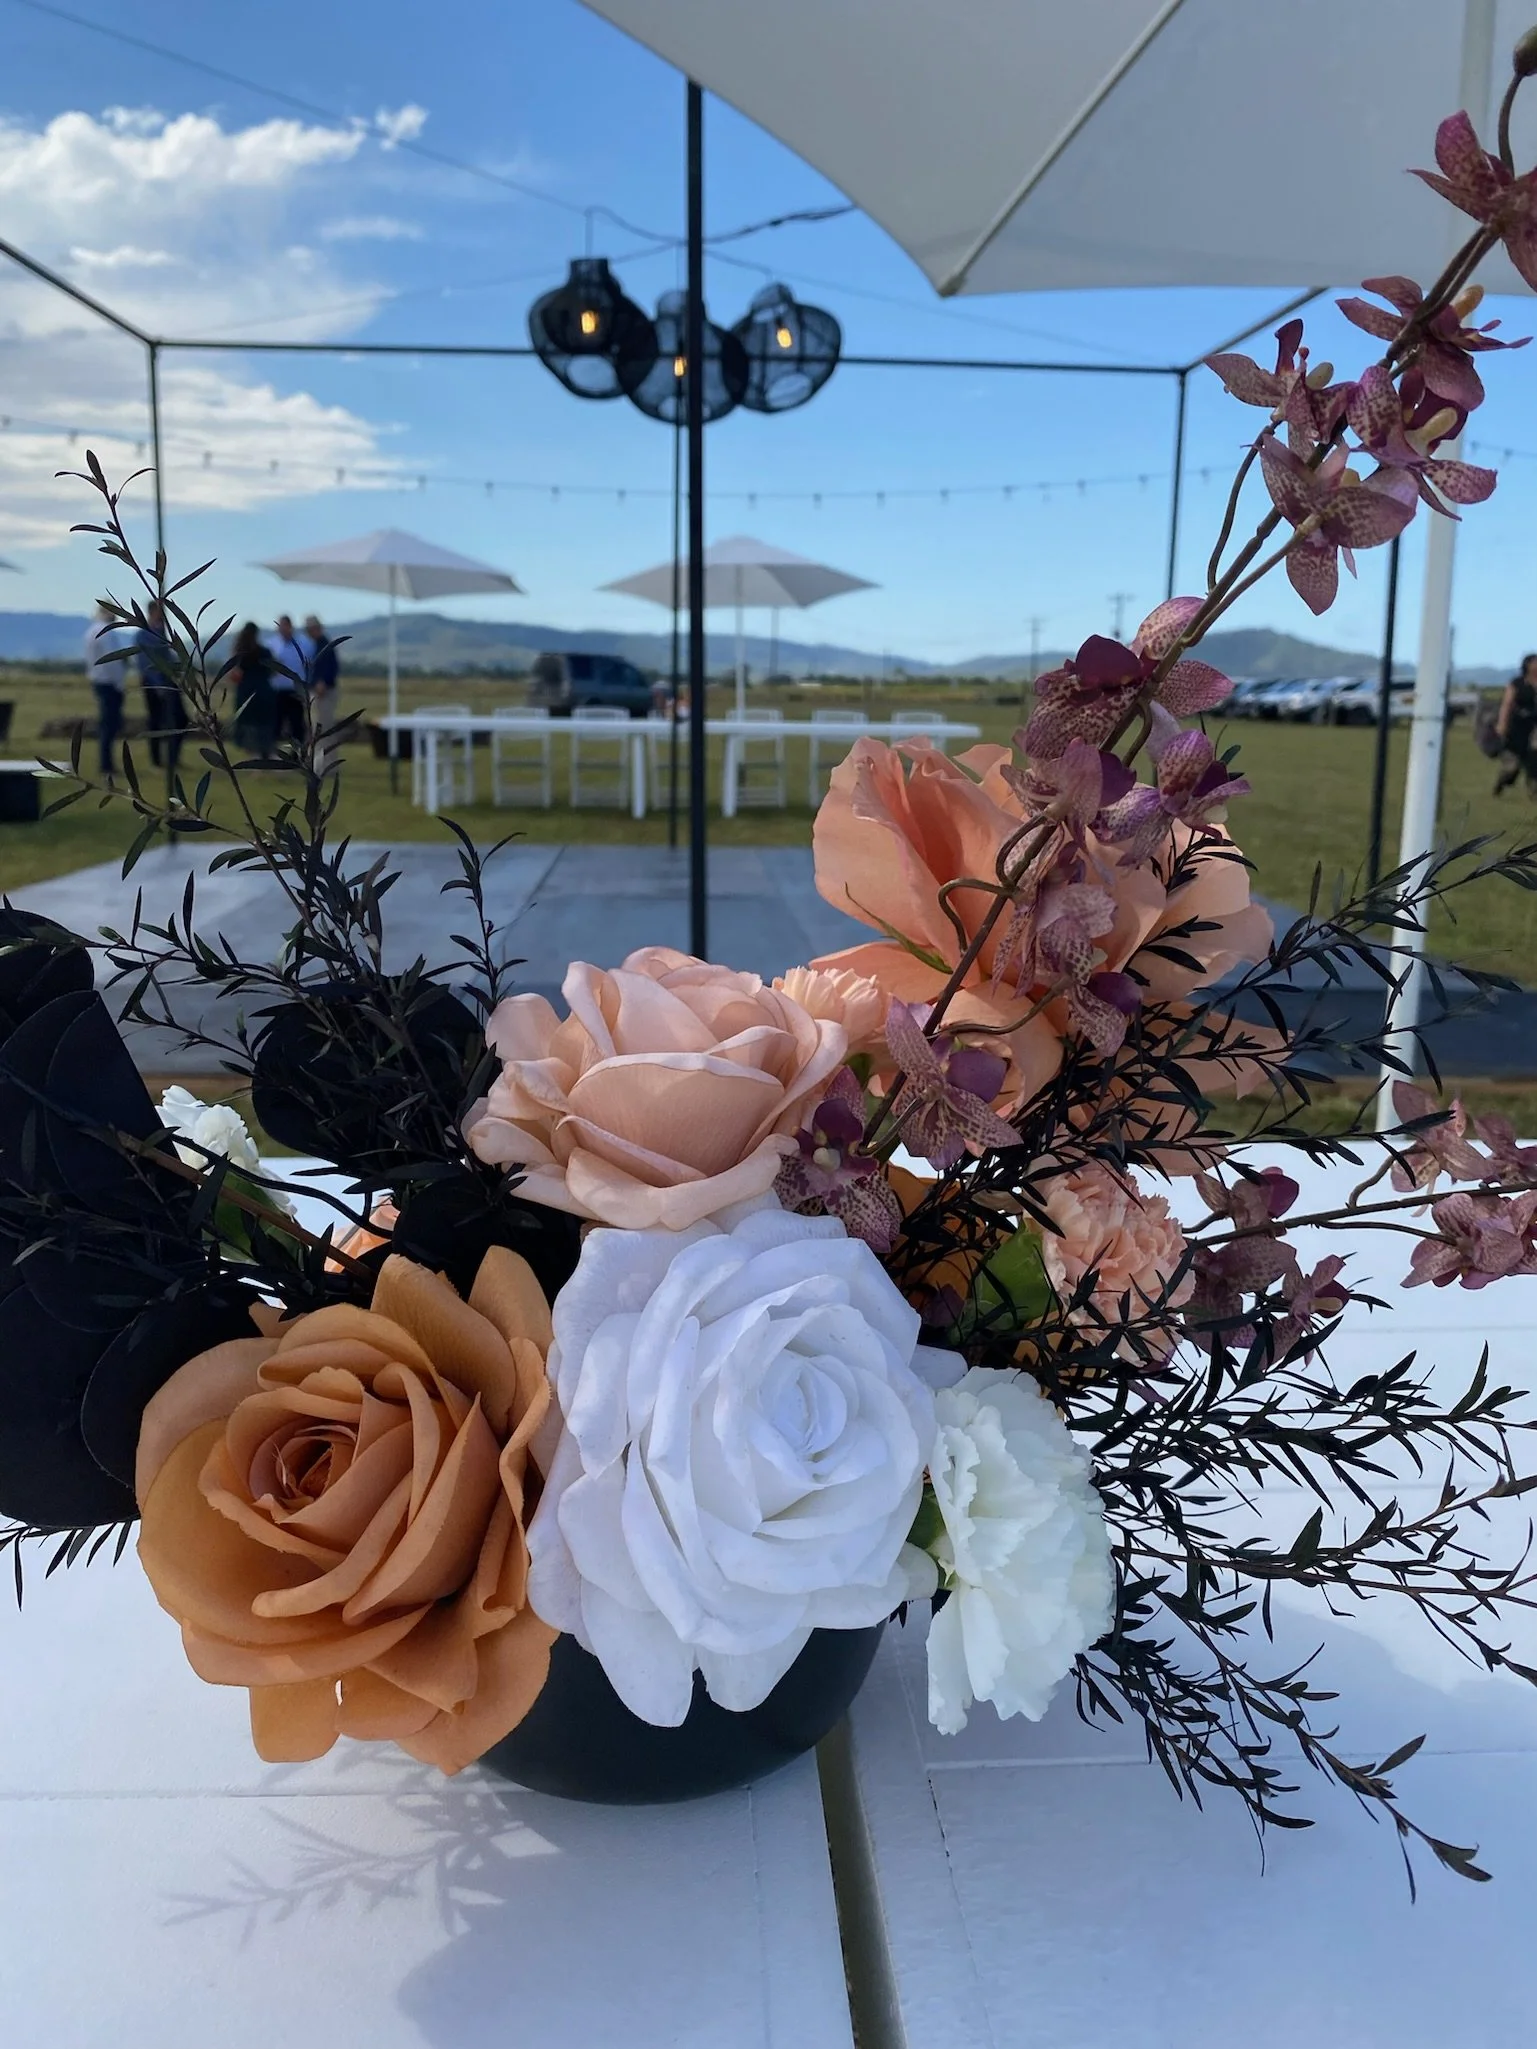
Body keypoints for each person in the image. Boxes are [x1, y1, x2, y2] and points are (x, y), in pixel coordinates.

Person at [84, 601, 132, 780]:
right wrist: (120, 684)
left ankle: (106, 763)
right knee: (109, 725)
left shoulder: (91, 631)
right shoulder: (106, 633)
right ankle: (106, 764)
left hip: (98, 681)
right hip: (109, 683)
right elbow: (114, 660)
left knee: (107, 724)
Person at [136, 601, 185, 777]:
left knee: (180, 720)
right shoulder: (144, 634)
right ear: (152, 612)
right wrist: (158, 685)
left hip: (169, 682)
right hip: (154, 683)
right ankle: (157, 761)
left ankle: (172, 758)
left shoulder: (162, 632)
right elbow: (146, 662)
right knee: (156, 722)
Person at [229, 622, 278, 754]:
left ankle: (252, 753)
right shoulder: (264, 652)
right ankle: (265, 753)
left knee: (247, 725)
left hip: (245, 692)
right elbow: (273, 670)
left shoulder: (239, 653)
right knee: (264, 725)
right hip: (263, 691)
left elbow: (234, 675)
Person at [265, 612, 311, 748]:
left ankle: (297, 754)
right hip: (276, 690)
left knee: (296, 723)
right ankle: (271, 752)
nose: (284, 629)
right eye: (281, 626)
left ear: (291, 627)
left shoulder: (303, 644)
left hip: (295, 690)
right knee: (274, 722)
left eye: (286, 626)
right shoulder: (271, 644)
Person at [1494, 653, 1537, 795]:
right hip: (1516, 728)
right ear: (1527, 665)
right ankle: (1503, 781)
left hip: (1534, 727)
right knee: (1513, 767)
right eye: (1534, 662)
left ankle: (1534, 789)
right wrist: (1502, 725)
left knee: (1534, 758)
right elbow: (1507, 705)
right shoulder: (1516, 683)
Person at [303, 613, 341, 769]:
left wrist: (322, 683)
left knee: (322, 729)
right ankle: (319, 762)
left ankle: (325, 764)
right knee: (318, 728)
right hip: (318, 692)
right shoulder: (318, 645)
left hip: (323, 693)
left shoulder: (324, 646)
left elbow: (330, 669)